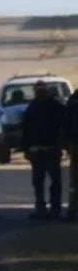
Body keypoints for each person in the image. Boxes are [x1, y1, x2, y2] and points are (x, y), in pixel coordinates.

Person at [21, 81, 66, 219]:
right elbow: (26, 130)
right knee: (37, 182)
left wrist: (62, 144)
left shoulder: (56, 107)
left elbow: (63, 126)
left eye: (42, 89)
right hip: (36, 150)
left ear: (46, 91)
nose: (40, 92)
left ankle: (55, 208)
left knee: (55, 181)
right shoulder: (32, 108)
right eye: (37, 89)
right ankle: (40, 208)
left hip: (52, 149)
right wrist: (26, 148)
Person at [65, 91, 78, 221]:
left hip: (74, 144)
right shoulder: (74, 100)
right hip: (75, 145)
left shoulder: (73, 100)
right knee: (74, 183)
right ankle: (72, 210)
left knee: (74, 183)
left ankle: (72, 210)